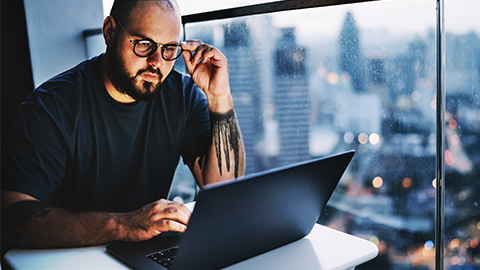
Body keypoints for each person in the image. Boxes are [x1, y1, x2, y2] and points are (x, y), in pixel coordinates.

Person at [1, 0, 245, 248]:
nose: (156, 62)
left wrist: (219, 97)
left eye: (169, 49)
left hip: (143, 251)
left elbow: (224, 190)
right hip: (69, 257)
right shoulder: (50, 107)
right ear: (109, 31)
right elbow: (13, 220)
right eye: (144, 44)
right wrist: (125, 225)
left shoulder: (183, 95)